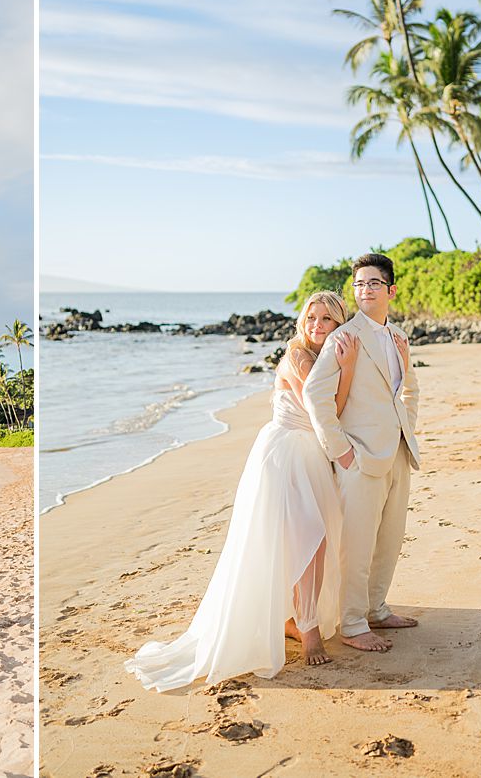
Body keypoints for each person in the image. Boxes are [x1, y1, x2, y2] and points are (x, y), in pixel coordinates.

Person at [125, 291, 358, 690]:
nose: (317, 325)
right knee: (304, 538)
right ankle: (308, 628)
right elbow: (329, 410)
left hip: (312, 458)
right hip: (285, 456)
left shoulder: (325, 357)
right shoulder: (298, 357)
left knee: (308, 541)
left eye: (327, 320)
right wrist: (349, 366)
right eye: (311, 318)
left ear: (339, 324)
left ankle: (291, 617)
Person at [302, 253, 420, 654]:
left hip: (398, 452)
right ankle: (352, 624)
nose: (364, 290)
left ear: (391, 290)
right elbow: (315, 395)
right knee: (357, 542)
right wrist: (341, 452)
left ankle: (376, 608)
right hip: (360, 457)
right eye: (358, 284)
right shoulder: (343, 338)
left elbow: (410, 390)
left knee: (389, 538)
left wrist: (407, 430)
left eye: (372, 283)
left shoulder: (399, 335)